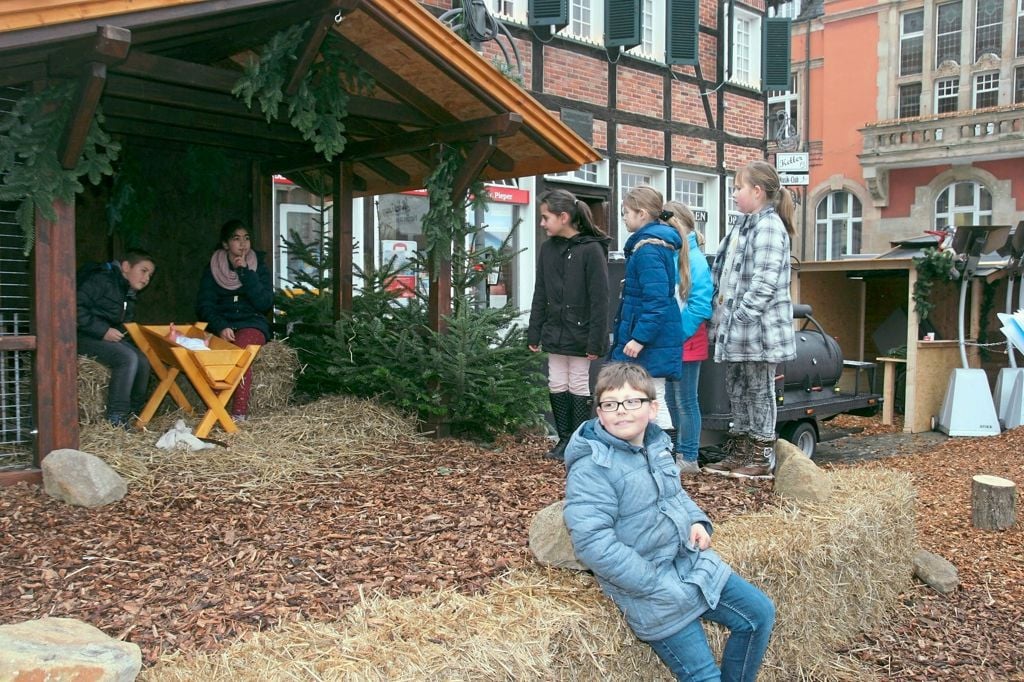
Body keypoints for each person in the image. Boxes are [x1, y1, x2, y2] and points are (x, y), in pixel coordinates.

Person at [563, 362, 776, 681]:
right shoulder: (593, 468)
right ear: (599, 412)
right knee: (704, 677)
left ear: (652, 408)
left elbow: (674, 495)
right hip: (650, 586)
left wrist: (697, 522)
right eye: (610, 404)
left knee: (758, 615)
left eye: (632, 401)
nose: (621, 411)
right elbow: (593, 543)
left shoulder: (656, 445)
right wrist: (651, 583)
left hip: (689, 562)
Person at [705, 161, 797, 478]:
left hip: (757, 332)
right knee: (737, 387)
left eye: (737, 188)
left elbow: (765, 281)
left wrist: (741, 315)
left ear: (757, 191)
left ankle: (760, 453)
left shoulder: (769, 227)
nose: (733, 194)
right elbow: (725, 274)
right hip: (735, 331)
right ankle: (741, 448)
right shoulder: (742, 226)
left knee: (759, 389)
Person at [528, 189, 611, 461]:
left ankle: (577, 440)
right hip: (554, 329)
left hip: (581, 331)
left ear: (563, 217)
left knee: (577, 383)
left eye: (545, 217)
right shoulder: (547, 249)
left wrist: (596, 341)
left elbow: (600, 299)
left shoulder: (591, 249)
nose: (542, 223)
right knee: (556, 382)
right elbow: (540, 292)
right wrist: (534, 331)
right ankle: (564, 439)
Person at [609, 185, 683, 431]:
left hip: (649, 341)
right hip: (652, 338)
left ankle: (663, 459)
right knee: (647, 398)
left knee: (652, 399)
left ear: (641, 214)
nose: (624, 218)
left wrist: (639, 338)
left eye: (626, 213)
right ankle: (657, 458)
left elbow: (657, 300)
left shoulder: (648, 250)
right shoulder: (652, 246)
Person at [196, 219, 274, 422]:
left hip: (252, 323)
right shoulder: (213, 268)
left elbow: (264, 303)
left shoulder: (259, 266)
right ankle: (214, 408)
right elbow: (205, 305)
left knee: (239, 352)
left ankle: (238, 412)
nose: (243, 244)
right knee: (214, 354)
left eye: (246, 238)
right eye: (236, 238)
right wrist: (220, 326)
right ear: (225, 244)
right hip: (223, 324)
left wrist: (246, 273)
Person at [76, 250, 157, 428]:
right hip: (81, 336)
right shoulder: (101, 280)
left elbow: (121, 322)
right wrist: (103, 330)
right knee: (126, 358)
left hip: (103, 337)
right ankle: (116, 417)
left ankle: (134, 413)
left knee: (143, 360)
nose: (146, 278)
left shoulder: (126, 290)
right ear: (126, 266)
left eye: (150, 275)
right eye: (143, 271)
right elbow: (74, 307)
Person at [662, 201, 713, 475]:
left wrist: (677, 333)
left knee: (686, 401)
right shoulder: (675, 254)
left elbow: (701, 305)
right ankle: (679, 451)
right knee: (673, 400)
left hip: (687, 340)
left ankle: (689, 456)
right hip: (674, 342)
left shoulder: (694, 259)